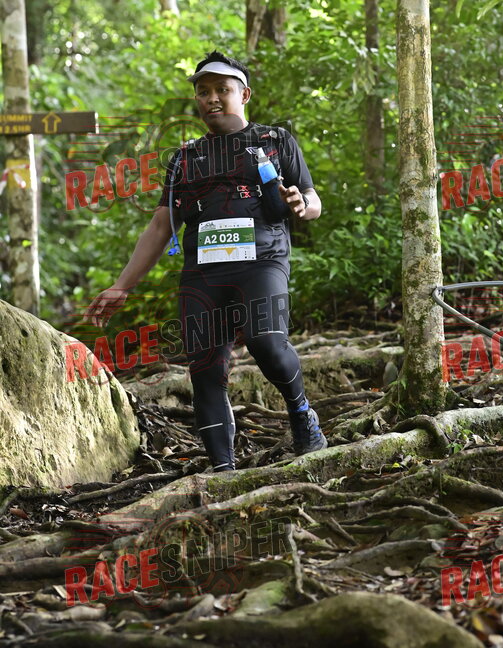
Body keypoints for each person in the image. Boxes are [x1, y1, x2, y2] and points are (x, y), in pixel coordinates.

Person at [84, 50, 328, 472]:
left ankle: (302, 413)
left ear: (243, 94)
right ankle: (222, 471)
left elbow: (312, 198)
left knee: (267, 342)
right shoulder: (184, 158)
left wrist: (302, 206)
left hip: (262, 262)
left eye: (222, 89)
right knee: (205, 368)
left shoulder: (275, 141)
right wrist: (122, 285)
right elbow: (160, 226)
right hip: (203, 273)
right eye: (203, 91)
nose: (212, 98)